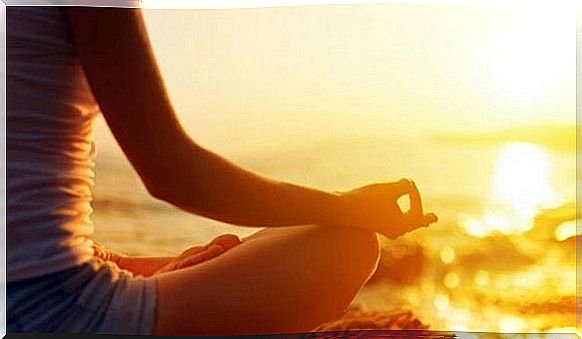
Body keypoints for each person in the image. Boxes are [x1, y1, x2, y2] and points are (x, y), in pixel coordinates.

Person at [6, 6, 438, 336]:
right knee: (346, 246)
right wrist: (352, 208)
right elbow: (172, 173)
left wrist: (158, 267)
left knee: (234, 249)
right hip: (55, 315)